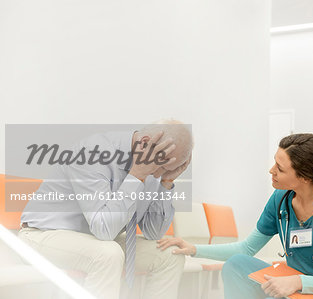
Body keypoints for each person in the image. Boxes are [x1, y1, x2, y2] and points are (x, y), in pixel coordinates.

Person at [157, 133, 313, 299]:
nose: (271, 171)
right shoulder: (280, 200)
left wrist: (298, 282)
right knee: (237, 264)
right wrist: (194, 249)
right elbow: (245, 249)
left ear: (305, 177)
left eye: (280, 168)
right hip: (295, 288)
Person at [19, 120, 193, 299]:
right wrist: (137, 175)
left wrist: (166, 182)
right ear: (145, 143)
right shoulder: (90, 153)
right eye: (162, 167)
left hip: (99, 239)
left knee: (171, 255)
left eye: (167, 170)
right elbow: (104, 230)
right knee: (108, 253)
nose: (157, 174)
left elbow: (153, 232)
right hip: (42, 235)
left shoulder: (152, 161)